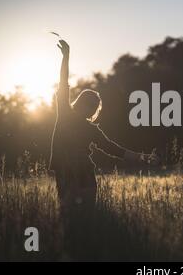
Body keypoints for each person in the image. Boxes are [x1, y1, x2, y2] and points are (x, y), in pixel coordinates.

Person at [49, 39, 154, 259]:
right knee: (80, 217)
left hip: (74, 173)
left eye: (95, 107)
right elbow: (63, 84)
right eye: (94, 106)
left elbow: (112, 149)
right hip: (76, 173)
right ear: (87, 106)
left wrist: (141, 157)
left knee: (71, 218)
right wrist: (66, 57)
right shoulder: (72, 117)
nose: (94, 109)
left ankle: (76, 250)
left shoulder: (76, 121)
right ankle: (81, 249)